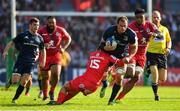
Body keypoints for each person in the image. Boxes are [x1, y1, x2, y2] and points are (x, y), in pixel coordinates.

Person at [115, 8, 163, 102]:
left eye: (141, 17)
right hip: (132, 53)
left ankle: (120, 97)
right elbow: (122, 37)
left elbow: (161, 36)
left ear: (144, 16)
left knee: (136, 77)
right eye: (137, 17)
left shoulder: (150, 25)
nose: (139, 19)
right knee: (130, 73)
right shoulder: (131, 27)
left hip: (142, 56)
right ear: (135, 18)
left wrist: (155, 34)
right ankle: (115, 75)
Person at [47, 50, 125, 105]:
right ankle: (105, 83)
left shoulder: (92, 54)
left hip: (85, 80)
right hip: (94, 86)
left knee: (65, 87)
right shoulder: (109, 57)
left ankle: (58, 102)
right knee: (77, 90)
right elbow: (120, 62)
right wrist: (126, 58)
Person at [2, 17, 46, 103]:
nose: (36, 27)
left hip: (31, 63)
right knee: (15, 81)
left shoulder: (40, 38)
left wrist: (43, 60)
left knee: (24, 81)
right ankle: (11, 80)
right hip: (21, 61)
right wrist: (5, 51)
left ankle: (15, 99)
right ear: (30, 25)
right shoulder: (23, 35)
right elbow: (12, 42)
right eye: (34, 25)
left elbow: (43, 50)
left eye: (38, 25)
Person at [99, 16, 138, 105]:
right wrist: (106, 48)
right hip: (108, 55)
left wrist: (129, 57)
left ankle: (111, 100)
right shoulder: (109, 31)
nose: (123, 28)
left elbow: (134, 48)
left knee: (120, 78)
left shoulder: (131, 34)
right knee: (103, 75)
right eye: (121, 26)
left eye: (125, 26)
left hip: (121, 58)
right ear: (117, 24)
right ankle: (105, 83)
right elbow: (101, 45)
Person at [38, 16, 71, 101]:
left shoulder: (61, 30)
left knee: (56, 74)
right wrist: (42, 45)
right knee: (45, 77)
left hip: (56, 55)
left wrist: (63, 47)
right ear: (47, 23)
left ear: (55, 23)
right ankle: (45, 95)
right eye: (49, 23)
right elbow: (36, 41)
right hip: (45, 55)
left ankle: (52, 91)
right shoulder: (41, 31)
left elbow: (68, 39)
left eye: (53, 23)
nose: (51, 24)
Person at [146, 10, 172, 101]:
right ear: (151, 18)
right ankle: (156, 94)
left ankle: (148, 70)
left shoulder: (165, 29)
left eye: (157, 17)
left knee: (163, 78)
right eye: (154, 17)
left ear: (160, 18)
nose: (156, 18)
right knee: (154, 73)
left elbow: (169, 40)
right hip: (151, 53)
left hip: (162, 54)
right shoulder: (148, 28)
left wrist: (168, 48)